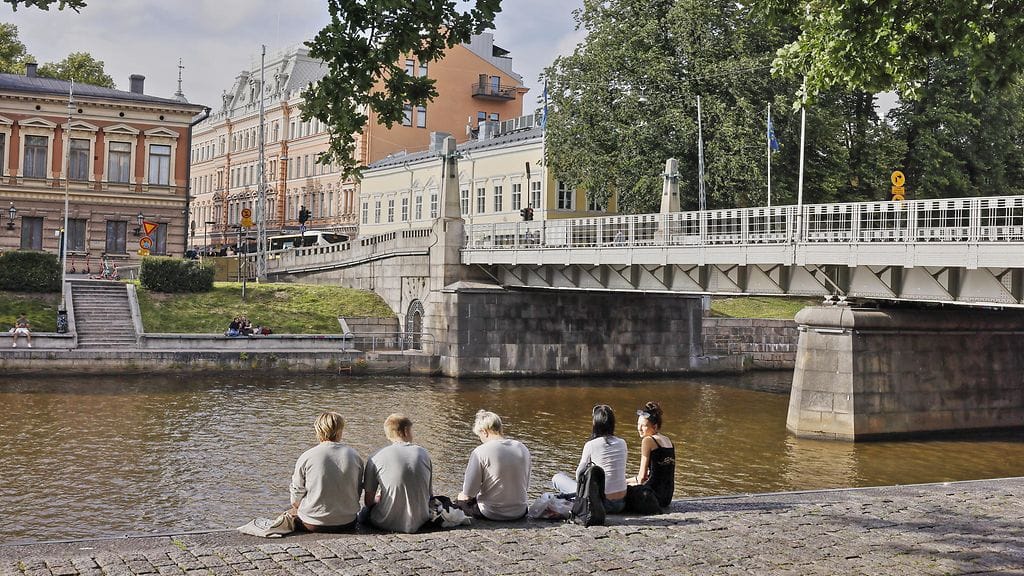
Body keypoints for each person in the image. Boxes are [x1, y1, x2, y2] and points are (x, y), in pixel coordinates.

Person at [289, 411, 363, 532]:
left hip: (313, 523)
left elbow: (295, 498)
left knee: (290, 512)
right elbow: (357, 490)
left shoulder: (307, 456)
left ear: (318, 430)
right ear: (340, 431)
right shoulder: (354, 455)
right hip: (348, 521)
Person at [361, 413, 433, 533]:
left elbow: (368, 501)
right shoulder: (423, 453)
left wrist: (381, 498)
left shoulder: (375, 457)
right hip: (422, 519)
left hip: (386, 522)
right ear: (405, 431)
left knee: (363, 513)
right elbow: (429, 494)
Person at [552, 404, 628, 513]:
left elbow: (579, 475)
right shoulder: (622, 443)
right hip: (621, 503)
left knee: (557, 478)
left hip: (601, 504)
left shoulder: (591, 445)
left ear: (595, 423)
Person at [457, 409, 531, 520]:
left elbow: (469, 492)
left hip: (491, 512)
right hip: (520, 511)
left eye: (479, 435)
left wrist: (461, 497)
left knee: (461, 499)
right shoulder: (522, 448)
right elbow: (526, 485)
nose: (480, 439)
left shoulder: (480, 451)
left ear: (484, 432)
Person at [628, 401, 675, 508]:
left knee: (619, 491)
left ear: (654, 427)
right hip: (667, 497)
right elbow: (657, 474)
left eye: (644, 425)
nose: (639, 428)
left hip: (652, 497)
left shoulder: (648, 440)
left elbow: (642, 477)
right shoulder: (668, 440)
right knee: (624, 483)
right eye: (638, 424)